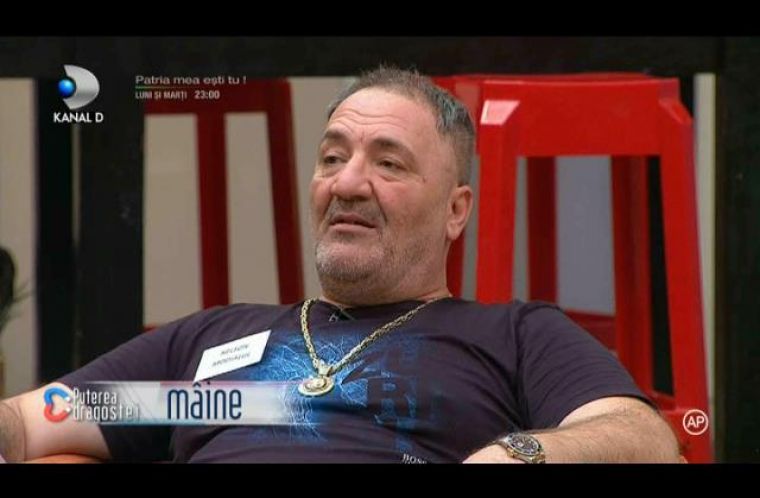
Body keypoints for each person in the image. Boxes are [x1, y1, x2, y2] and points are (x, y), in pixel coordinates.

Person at [0, 66, 680, 463]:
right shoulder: (211, 342)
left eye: (389, 163)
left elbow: (644, 437)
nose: (348, 183)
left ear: (456, 210)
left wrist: (518, 453)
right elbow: (36, 421)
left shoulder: (512, 336)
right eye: (332, 158)